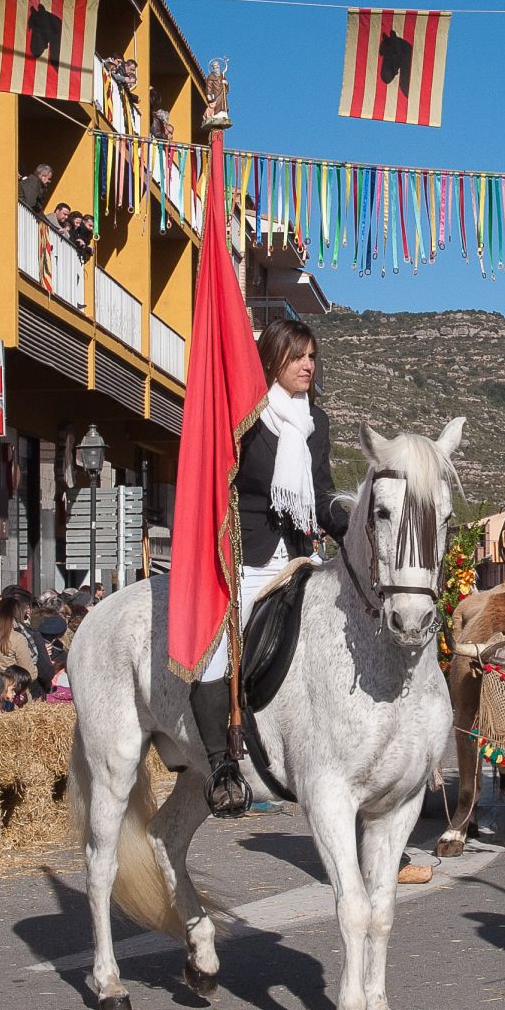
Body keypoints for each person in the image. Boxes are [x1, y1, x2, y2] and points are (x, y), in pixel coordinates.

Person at [190, 317, 351, 816]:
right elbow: (222, 483)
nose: (308, 364)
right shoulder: (246, 417)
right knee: (214, 655)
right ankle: (222, 768)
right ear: (273, 360)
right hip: (250, 558)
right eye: (299, 356)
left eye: (312, 357)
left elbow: (320, 492)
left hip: (303, 555)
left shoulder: (316, 423)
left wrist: (352, 527)